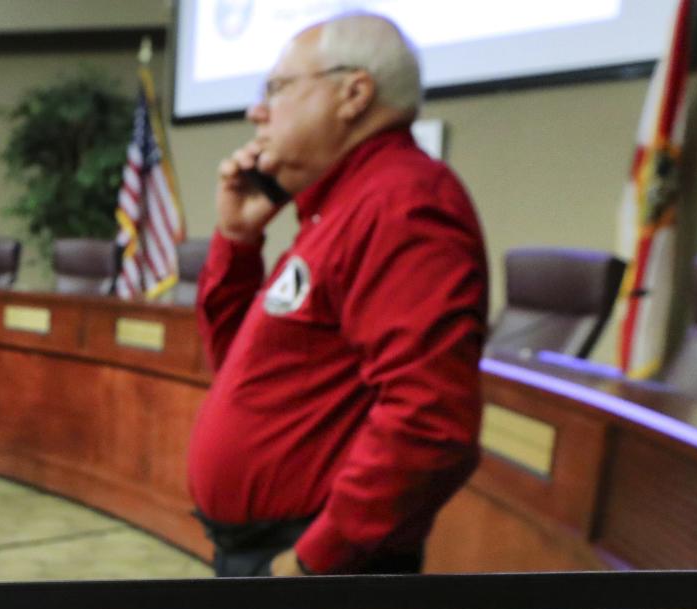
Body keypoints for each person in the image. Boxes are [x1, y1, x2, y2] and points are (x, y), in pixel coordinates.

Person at [188, 12, 488, 577]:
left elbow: (430, 418)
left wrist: (313, 561)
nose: (257, 111)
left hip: (315, 563)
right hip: (272, 549)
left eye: (276, 88)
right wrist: (238, 238)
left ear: (353, 93)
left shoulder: (402, 204)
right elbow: (240, 372)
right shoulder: (339, 207)